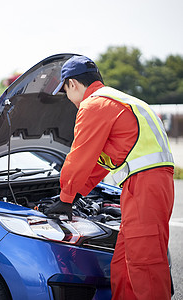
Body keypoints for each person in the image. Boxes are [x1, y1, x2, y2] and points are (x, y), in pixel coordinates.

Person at [45, 55, 175, 299]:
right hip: (148, 184)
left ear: (72, 83)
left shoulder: (95, 104)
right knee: (125, 264)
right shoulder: (120, 100)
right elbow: (99, 162)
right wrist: (78, 193)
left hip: (145, 185)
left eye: (65, 91)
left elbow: (80, 155)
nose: (69, 99)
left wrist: (66, 197)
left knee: (144, 264)